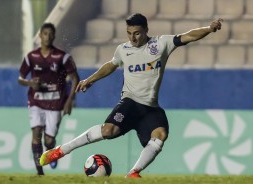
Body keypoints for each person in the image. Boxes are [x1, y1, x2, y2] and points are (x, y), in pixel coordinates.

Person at [39, 14, 222, 178]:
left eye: (137, 33)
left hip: (150, 107)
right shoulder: (123, 49)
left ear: (146, 30)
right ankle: (61, 151)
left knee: (160, 134)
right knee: (108, 131)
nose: (133, 38)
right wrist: (90, 80)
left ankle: (133, 173)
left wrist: (208, 29)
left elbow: (188, 36)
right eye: (129, 33)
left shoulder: (161, 44)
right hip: (130, 102)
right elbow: (111, 65)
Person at [18, 23, 79, 175]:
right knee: (36, 133)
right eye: (45, 33)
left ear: (54, 36)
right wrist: (30, 83)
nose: (48, 37)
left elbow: (75, 78)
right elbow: (20, 78)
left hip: (56, 103)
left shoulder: (63, 57)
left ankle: (51, 150)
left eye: (51, 34)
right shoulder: (31, 57)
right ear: (40, 35)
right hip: (36, 101)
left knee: (49, 140)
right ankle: (40, 173)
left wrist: (69, 100)